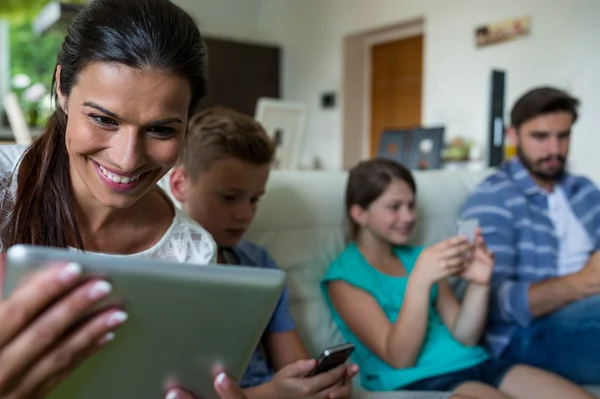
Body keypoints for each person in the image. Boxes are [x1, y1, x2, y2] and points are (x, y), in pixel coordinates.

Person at [0, 0, 245, 396]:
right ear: (63, 88)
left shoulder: (194, 253)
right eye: (102, 119)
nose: (127, 159)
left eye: (161, 130)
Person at [320, 158, 592, 398]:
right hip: (421, 378)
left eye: (411, 205)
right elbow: (399, 358)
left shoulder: (421, 256)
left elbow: (464, 336)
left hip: (475, 361)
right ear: (359, 214)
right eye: (395, 207)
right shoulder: (343, 279)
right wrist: (420, 280)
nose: (408, 216)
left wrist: (479, 283)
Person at [166, 107, 358, 399]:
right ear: (180, 184)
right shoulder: (161, 268)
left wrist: (318, 385)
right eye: (229, 198)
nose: (245, 214)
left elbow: (294, 365)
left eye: (255, 199)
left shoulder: (258, 263)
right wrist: (272, 393)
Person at [459, 87, 600, 383]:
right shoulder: (492, 197)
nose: (554, 150)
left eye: (563, 136)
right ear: (513, 136)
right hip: (523, 337)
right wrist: (578, 284)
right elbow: (485, 302)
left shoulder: (584, 191)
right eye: (540, 137)